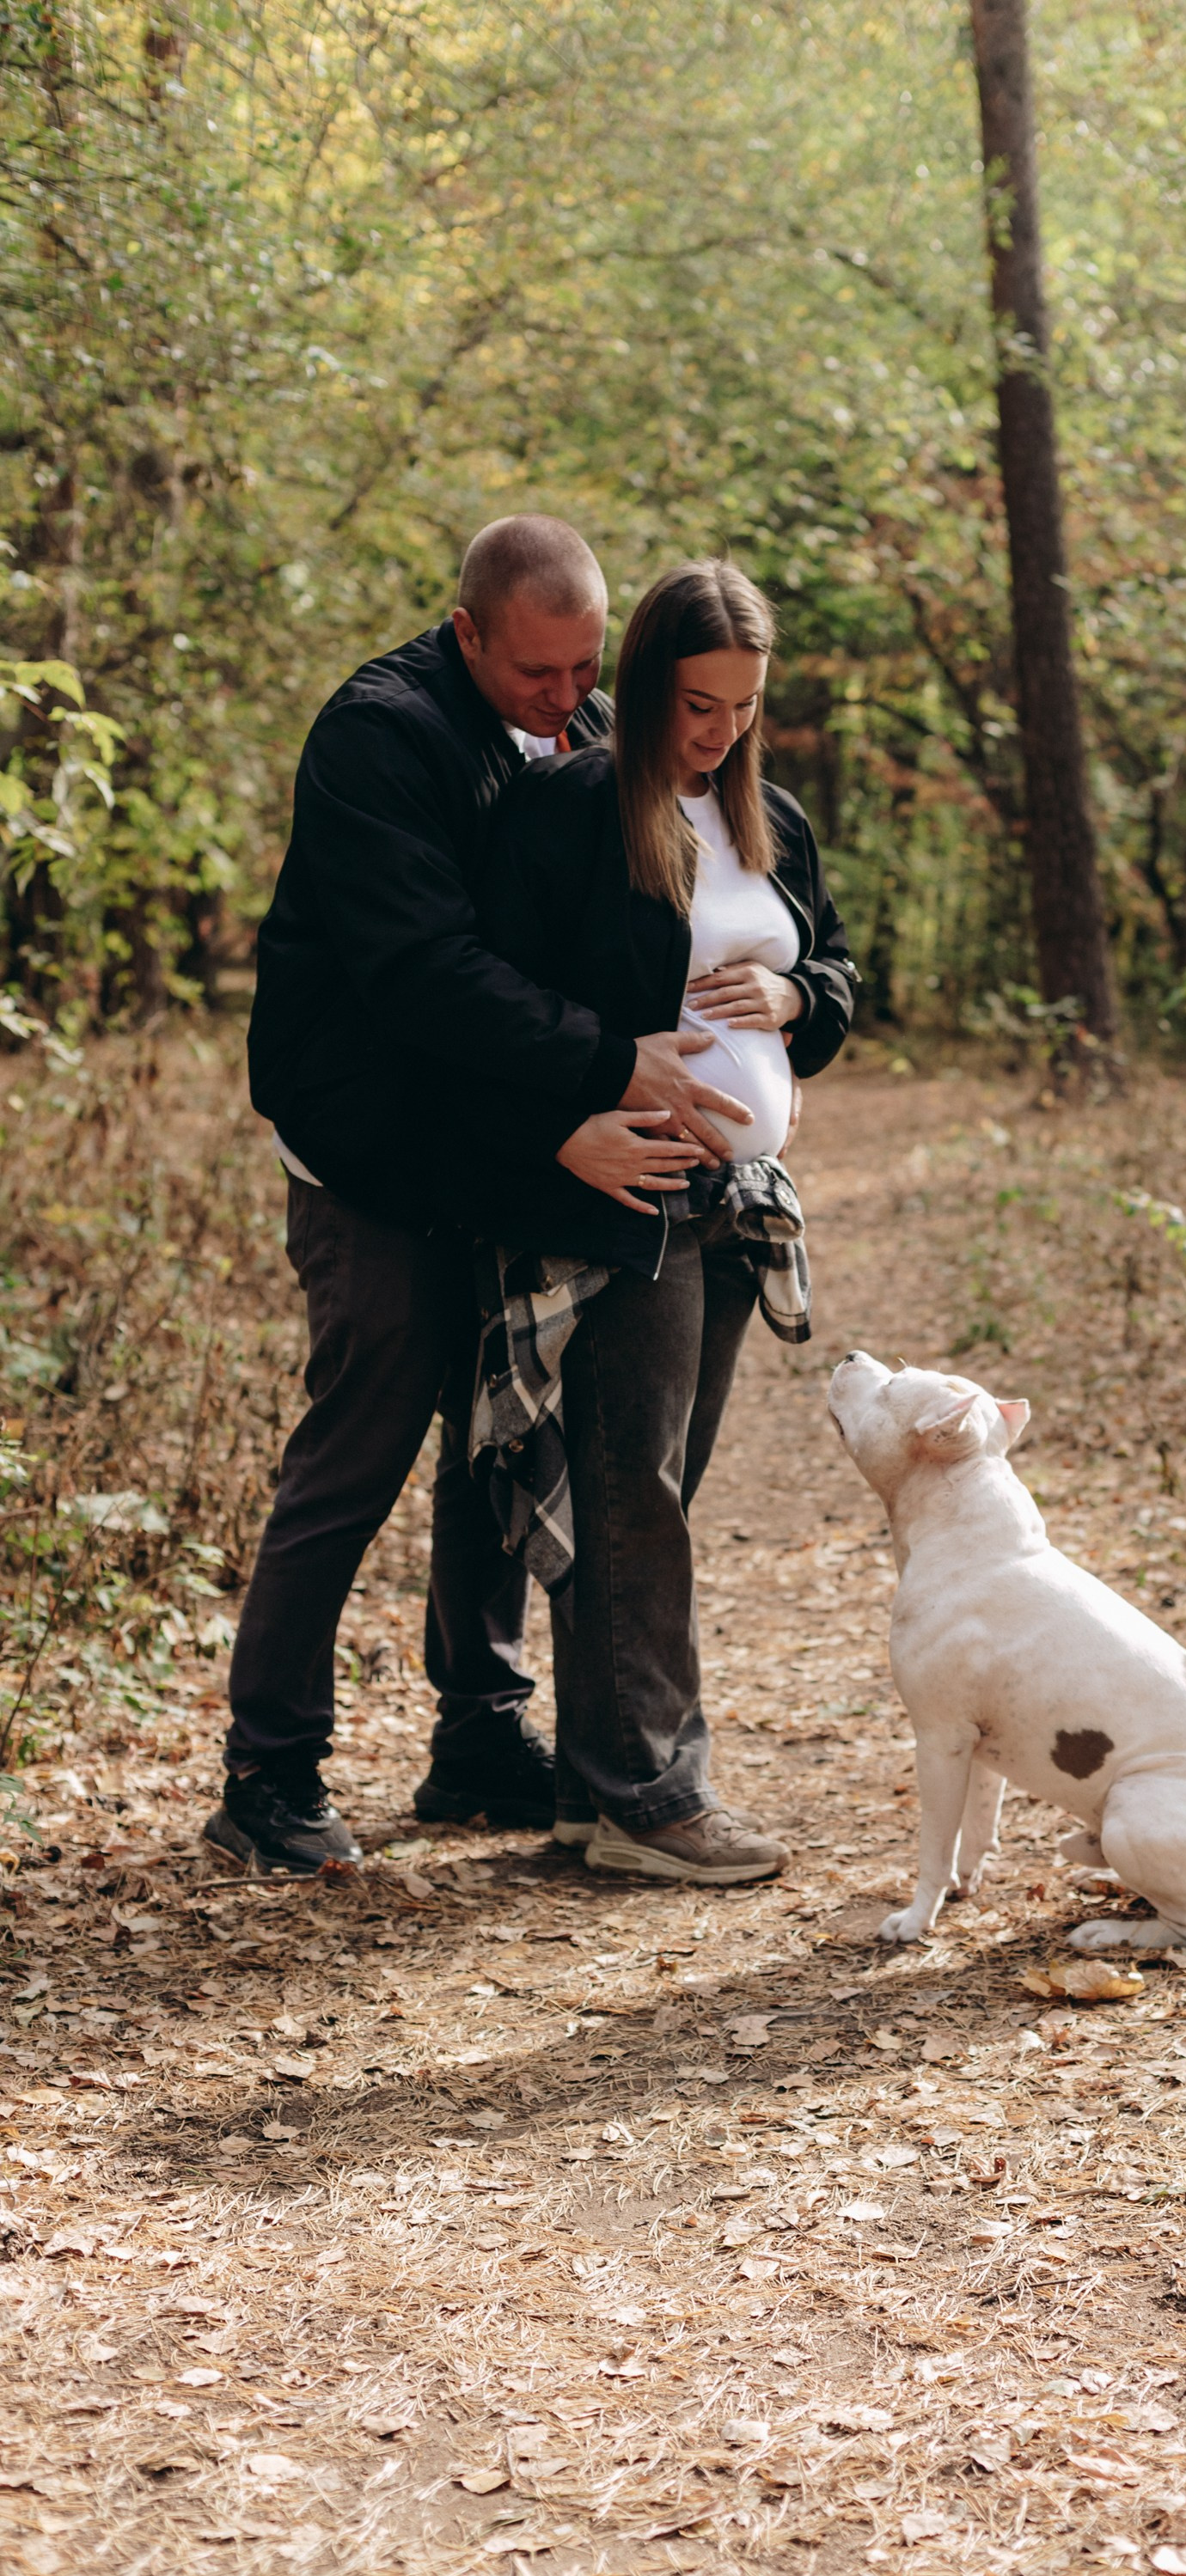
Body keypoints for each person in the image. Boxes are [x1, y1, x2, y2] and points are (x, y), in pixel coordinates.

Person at [212, 517, 753, 1876]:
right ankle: (268, 1770)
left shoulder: (584, 732)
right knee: (366, 1435)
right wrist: (604, 1067)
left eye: (587, 668)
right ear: (466, 634)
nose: (568, 700)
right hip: (375, 1147)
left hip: (506, 1137)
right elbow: (427, 973)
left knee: (497, 1432)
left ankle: (479, 1732)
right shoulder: (379, 740)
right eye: (535, 673)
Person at [439, 559, 856, 1883]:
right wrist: (581, 1105)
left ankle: (592, 1785)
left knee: (654, 1492)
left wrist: (797, 1000)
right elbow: (487, 996)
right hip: (631, 1196)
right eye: (695, 704)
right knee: (633, 1496)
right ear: (646, 684)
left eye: (743, 705)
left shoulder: (767, 816)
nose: (719, 730)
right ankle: (648, 1796)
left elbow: (840, 966)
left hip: (741, 1199)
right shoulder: (570, 811)